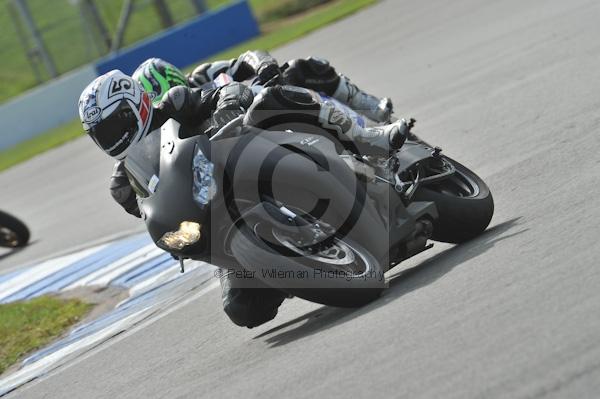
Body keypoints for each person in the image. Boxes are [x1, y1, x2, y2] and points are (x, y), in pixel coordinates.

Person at [78, 67, 409, 328]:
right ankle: (292, 264)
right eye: (101, 134)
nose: (111, 137)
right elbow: (156, 207)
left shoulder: (176, 103)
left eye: (113, 124)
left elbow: (225, 90)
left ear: (133, 105)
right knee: (244, 309)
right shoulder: (123, 184)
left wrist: (226, 105)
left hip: (250, 157)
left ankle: (368, 138)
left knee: (273, 99)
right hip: (215, 218)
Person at [133, 51, 394, 123]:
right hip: (227, 150)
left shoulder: (201, 76)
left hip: (260, 108)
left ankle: (372, 110)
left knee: (301, 67)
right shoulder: (162, 130)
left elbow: (248, 58)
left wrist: (264, 66)